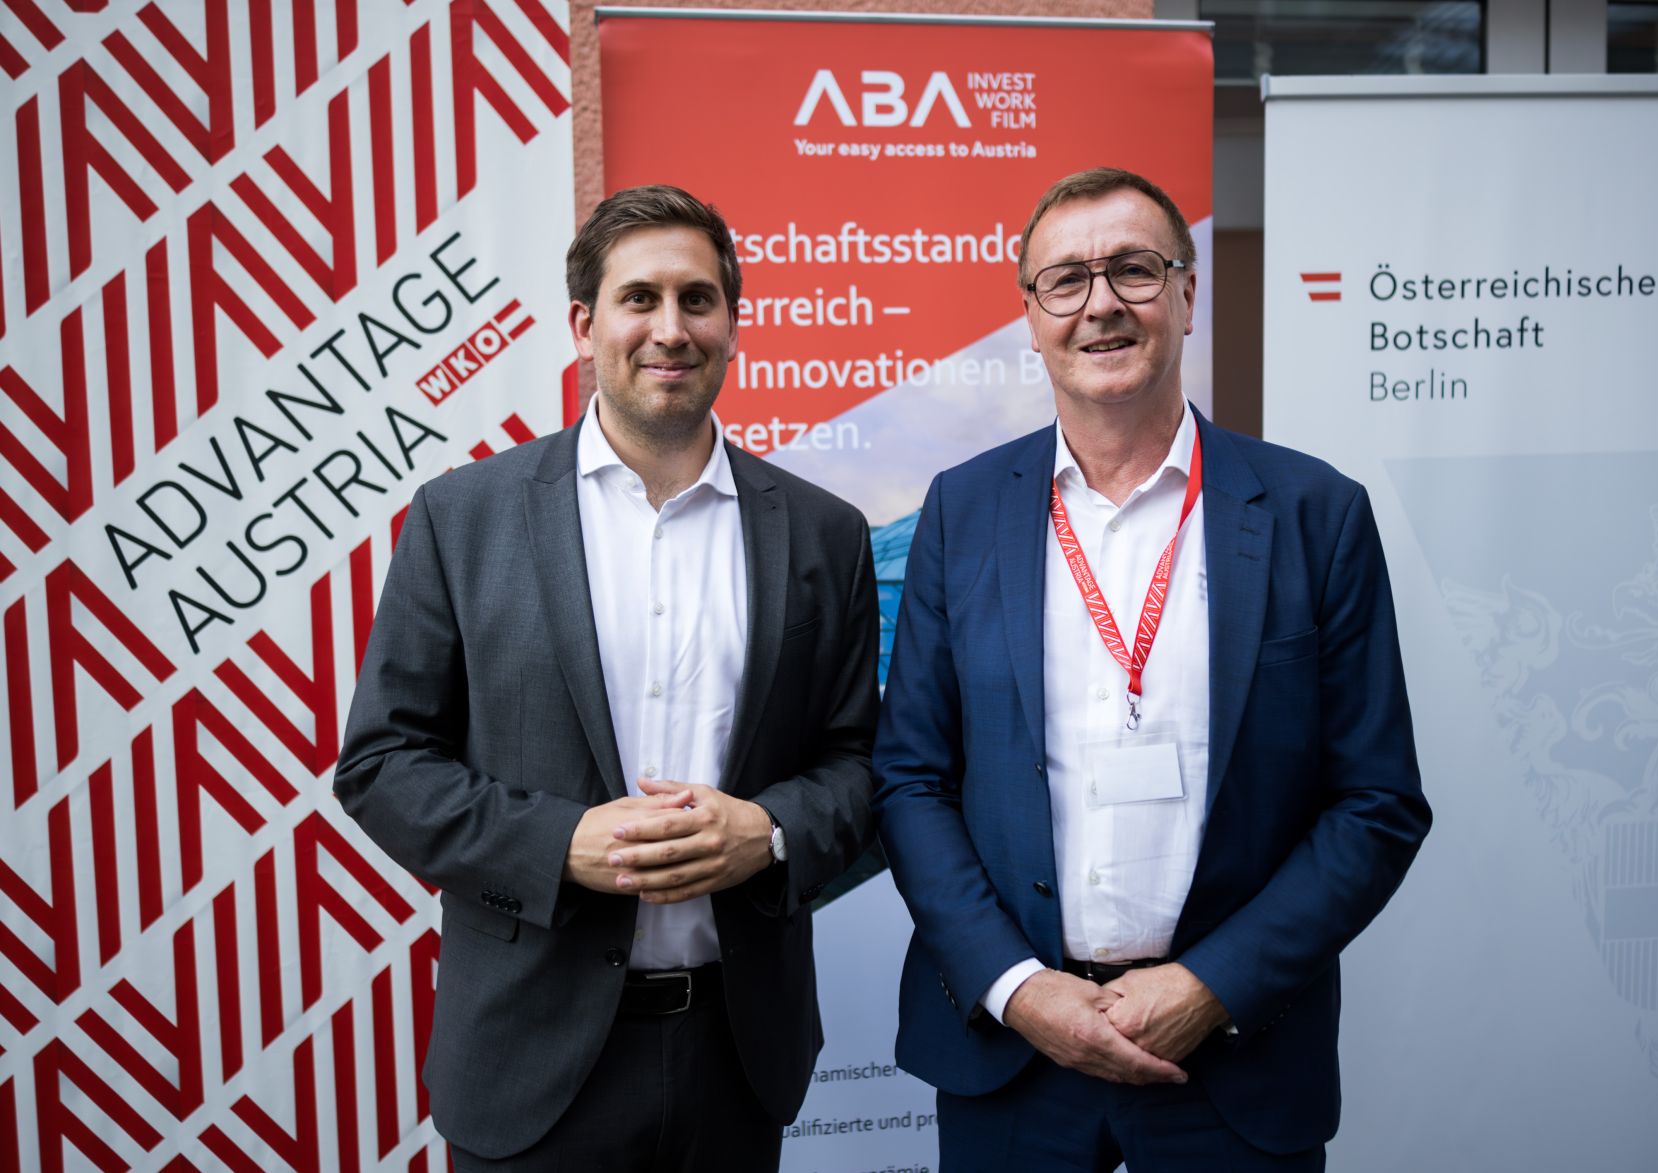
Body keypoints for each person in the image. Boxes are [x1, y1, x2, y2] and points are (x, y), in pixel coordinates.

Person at [874, 167, 1431, 1170]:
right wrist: (1016, 987)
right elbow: (910, 777)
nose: (1101, 304)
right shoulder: (961, 511)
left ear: (1186, 293)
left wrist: (1211, 985)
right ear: (1031, 315)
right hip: (1015, 1057)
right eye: (1065, 280)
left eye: (1133, 269)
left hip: (1232, 1059)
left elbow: (1375, 801)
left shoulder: (1315, 514)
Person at [335, 184, 878, 1171]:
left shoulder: (822, 533)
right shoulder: (464, 519)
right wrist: (557, 845)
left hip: (736, 1058)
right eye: (639, 298)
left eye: (697, 299)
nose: (670, 329)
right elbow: (382, 765)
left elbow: (860, 763)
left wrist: (768, 832)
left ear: (730, 323)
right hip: (528, 1063)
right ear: (584, 325)